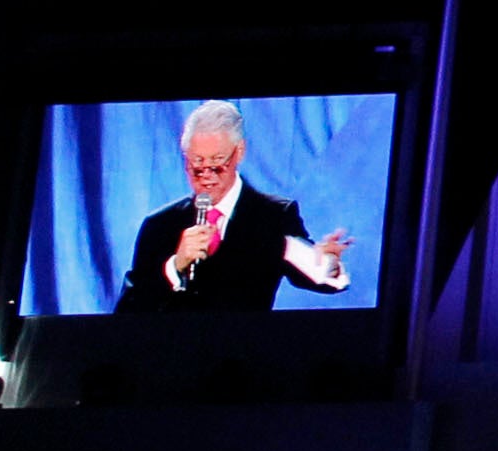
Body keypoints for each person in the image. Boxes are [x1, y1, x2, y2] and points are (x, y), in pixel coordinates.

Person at [115, 100, 354, 311]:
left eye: (218, 163)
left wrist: (328, 265)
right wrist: (175, 267)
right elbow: (129, 310)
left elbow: (312, 273)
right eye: (197, 164)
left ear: (239, 152)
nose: (207, 175)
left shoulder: (272, 216)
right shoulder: (160, 224)